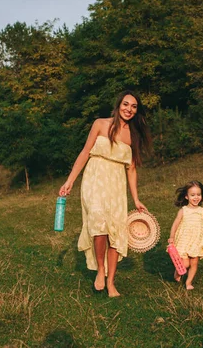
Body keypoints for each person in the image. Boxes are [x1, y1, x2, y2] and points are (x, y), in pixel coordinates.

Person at [59, 91, 152, 297]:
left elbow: (132, 169)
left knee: (116, 231)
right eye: (125, 104)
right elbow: (85, 152)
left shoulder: (133, 135)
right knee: (98, 223)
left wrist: (135, 198)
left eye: (134, 106)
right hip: (95, 178)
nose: (129, 109)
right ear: (118, 105)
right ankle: (101, 269)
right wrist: (70, 180)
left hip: (117, 184)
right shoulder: (100, 124)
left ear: (137, 110)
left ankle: (111, 283)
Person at [167, 181, 203, 290]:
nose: (196, 197)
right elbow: (175, 224)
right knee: (185, 264)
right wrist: (171, 236)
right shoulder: (183, 211)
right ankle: (178, 271)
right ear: (186, 196)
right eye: (192, 195)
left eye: (198, 195)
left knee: (194, 263)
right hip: (184, 240)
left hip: (197, 241)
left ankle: (188, 282)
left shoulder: (202, 211)